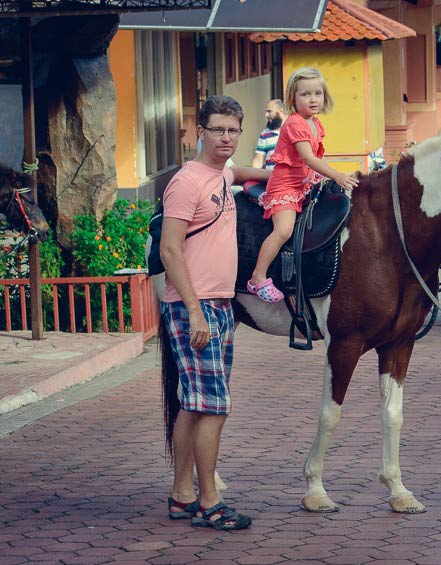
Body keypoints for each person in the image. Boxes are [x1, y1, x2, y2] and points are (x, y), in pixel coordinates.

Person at [160, 95, 271, 531]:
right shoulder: (187, 182)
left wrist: (282, 172)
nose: (226, 137)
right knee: (214, 406)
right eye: (217, 130)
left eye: (233, 130)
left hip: (220, 304)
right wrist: (195, 312)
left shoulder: (220, 173)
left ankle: (181, 494)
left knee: (193, 403)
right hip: (195, 308)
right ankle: (209, 501)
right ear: (199, 132)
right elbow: (171, 249)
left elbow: (239, 171)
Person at [247, 67, 358, 302]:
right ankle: (258, 277)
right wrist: (337, 175)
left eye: (317, 93)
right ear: (293, 98)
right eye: (305, 94)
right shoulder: (295, 123)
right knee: (284, 230)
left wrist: (327, 178)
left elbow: (316, 159)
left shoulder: (315, 123)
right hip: (285, 188)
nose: (313, 99)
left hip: (305, 184)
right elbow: (308, 157)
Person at [251, 99, 286, 170]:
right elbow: (258, 160)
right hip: (271, 179)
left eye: (269, 111)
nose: (266, 115)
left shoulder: (294, 129)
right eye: (266, 112)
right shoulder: (265, 134)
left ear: (281, 110)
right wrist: (252, 175)